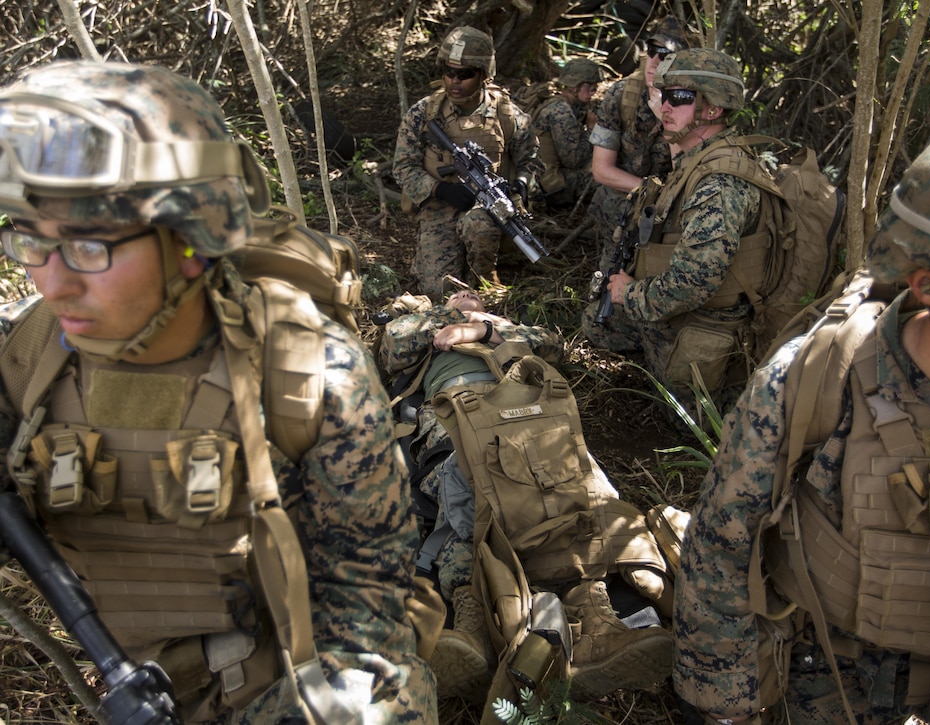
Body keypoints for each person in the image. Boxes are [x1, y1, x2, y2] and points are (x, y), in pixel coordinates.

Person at [0, 61, 435, 723]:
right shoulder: (29, 355)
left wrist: (323, 703)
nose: (53, 283)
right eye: (31, 241)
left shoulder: (305, 370)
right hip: (129, 682)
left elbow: (368, 582)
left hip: (286, 675)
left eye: (89, 246)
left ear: (191, 241)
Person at [673, 118, 930, 724]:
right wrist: (725, 708)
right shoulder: (820, 379)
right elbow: (721, 549)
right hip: (837, 689)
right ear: (928, 285)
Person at [377, 290, 673, 701]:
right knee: (465, 490)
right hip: (457, 415)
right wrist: (448, 316)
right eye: (456, 292)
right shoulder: (423, 329)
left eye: (471, 293)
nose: (466, 295)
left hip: (532, 416)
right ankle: (473, 623)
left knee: (581, 487)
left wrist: (483, 325)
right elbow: (393, 347)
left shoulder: (502, 328)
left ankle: (596, 619)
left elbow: (552, 345)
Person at [582, 48, 759, 407]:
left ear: (715, 108)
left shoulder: (719, 184)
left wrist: (630, 293)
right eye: (664, 95)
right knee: (597, 323)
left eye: (680, 97)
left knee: (683, 420)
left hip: (710, 324)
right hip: (688, 308)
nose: (665, 106)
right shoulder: (700, 156)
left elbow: (693, 285)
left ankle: (715, 393)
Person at [392, 26, 541, 301]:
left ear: (484, 74)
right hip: (439, 205)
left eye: (465, 74)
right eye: (449, 72)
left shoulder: (507, 114)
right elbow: (402, 167)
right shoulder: (424, 113)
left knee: (480, 226)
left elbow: (531, 160)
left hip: (484, 208)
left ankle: (484, 276)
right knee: (439, 291)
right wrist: (440, 190)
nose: (454, 81)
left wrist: (520, 185)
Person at [587, 15, 692, 239]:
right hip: (627, 199)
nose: (654, 61)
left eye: (664, 55)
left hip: (677, 204)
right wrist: (650, 193)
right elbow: (601, 169)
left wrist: (668, 122)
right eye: (651, 51)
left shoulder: (693, 103)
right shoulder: (622, 94)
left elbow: (688, 171)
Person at [529, 58, 605, 211]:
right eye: (589, 86)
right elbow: (574, 160)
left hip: (543, 176)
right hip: (550, 184)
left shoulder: (562, 104)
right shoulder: (560, 112)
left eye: (595, 87)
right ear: (573, 86)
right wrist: (591, 129)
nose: (594, 91)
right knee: (607, 179)